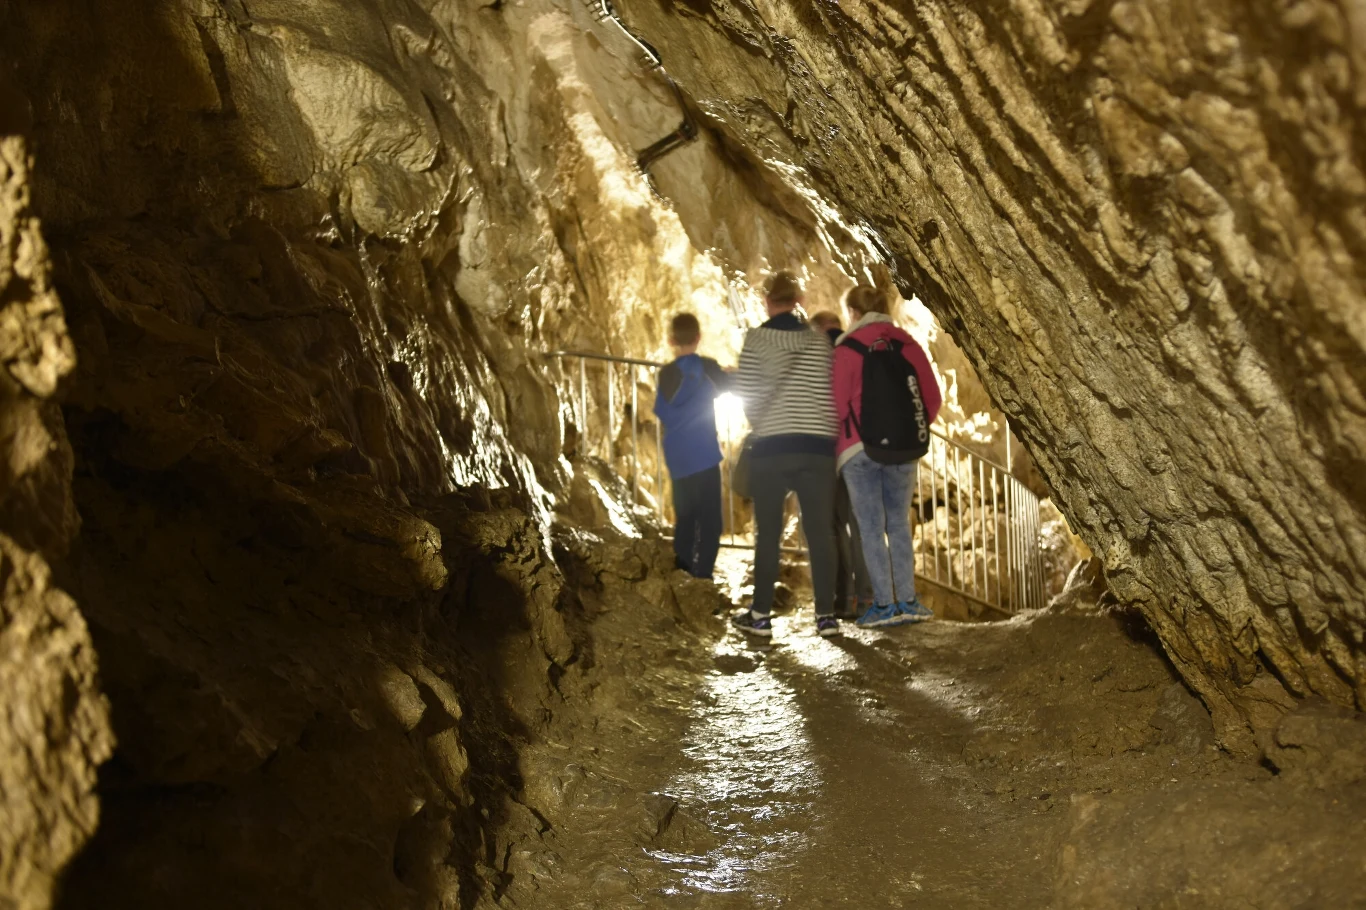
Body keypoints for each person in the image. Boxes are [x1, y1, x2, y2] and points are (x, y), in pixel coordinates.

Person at [731, 272, 840, 638]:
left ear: (767, 300)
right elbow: (830, 392)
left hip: (773, 447)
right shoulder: (819, 342)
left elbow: (748, 392)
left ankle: (760, 615)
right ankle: (826, 617)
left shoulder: (757, 339)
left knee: (769, 533)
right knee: (821, 532)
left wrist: (765, 422)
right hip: (818, 448)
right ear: (798, 301)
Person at [834, 285, 943, 627]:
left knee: (869, 528)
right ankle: (908, 601)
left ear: (852, 312)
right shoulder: (907, 344)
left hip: (857, 451)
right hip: (902, 448)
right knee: (898, 524)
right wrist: (905, 428)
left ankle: (883, 605)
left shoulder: (846, 349)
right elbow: (932, 399)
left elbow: (835, 407)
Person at [654, 313, 729, 579]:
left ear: (671, 339)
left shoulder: (666, 373)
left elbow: (662, 411)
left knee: (684, 517)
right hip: (705, 454)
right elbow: (730, 386)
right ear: (698, 338)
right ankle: (703, 574)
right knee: (710, 520)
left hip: (678, 458)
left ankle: (683, 571)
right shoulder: (708, 368)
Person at [810, 310, 873, 619]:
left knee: (835, 528)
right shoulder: (858, 349)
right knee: (861, 526)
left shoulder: (819, 356)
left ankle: (843, 598)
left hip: (832, 453)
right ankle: (866, 599)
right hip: (863, 450)